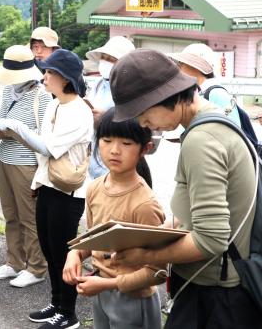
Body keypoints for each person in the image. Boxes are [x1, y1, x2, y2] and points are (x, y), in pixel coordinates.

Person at [109, 49, 261, 328]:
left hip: (217, 296)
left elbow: (211, 240)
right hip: (221, 287)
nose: (142, 123)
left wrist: (146, 256)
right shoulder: (215, 121)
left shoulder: (201, 140)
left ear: (168, 96)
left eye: (142, 111)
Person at [0, 49, 93, 328]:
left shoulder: (79, 111)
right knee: (50, 250)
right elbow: (44, 151)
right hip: (48, 186)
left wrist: (15, 127)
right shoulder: (54, 104)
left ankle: (69, 313)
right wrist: (37, 182)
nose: (44, 76)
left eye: (50, 72)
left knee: (63, 253)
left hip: (68, 193)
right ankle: (56, 303)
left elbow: (48, 147)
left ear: (65, 78)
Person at [63, 108, 165, 329]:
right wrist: (75, 253)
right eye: (107, 140)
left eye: (126, 143)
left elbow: (157, 271)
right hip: (100, 288)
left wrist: (107, 284)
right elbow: (94, 237)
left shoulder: (144, 205)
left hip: (133, 298)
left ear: (144, 148)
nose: (114, 150)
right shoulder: (95, 188)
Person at [0, 45, 51, 288]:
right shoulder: (7, 92)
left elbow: (44, 135)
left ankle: (36, 267)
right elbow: (2, 124)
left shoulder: (42, 96)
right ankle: (14, 262)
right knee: (10, 215)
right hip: (5, 160)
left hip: (27, 164)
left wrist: (14, 128)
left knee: (29, 218)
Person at [85, 36, 135, 180]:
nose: (105, 61)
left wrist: (106, 119)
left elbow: (136, 125)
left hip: (116, 161)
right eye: (104, 57)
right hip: (93, 159)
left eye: (111, 58)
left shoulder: (131, 90)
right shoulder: (98, 84)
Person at [168, 43, 240, 126]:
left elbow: (233, 130)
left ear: (195, 66)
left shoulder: (216, 93)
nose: (179, 67)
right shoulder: (196, 91)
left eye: (182, 63)